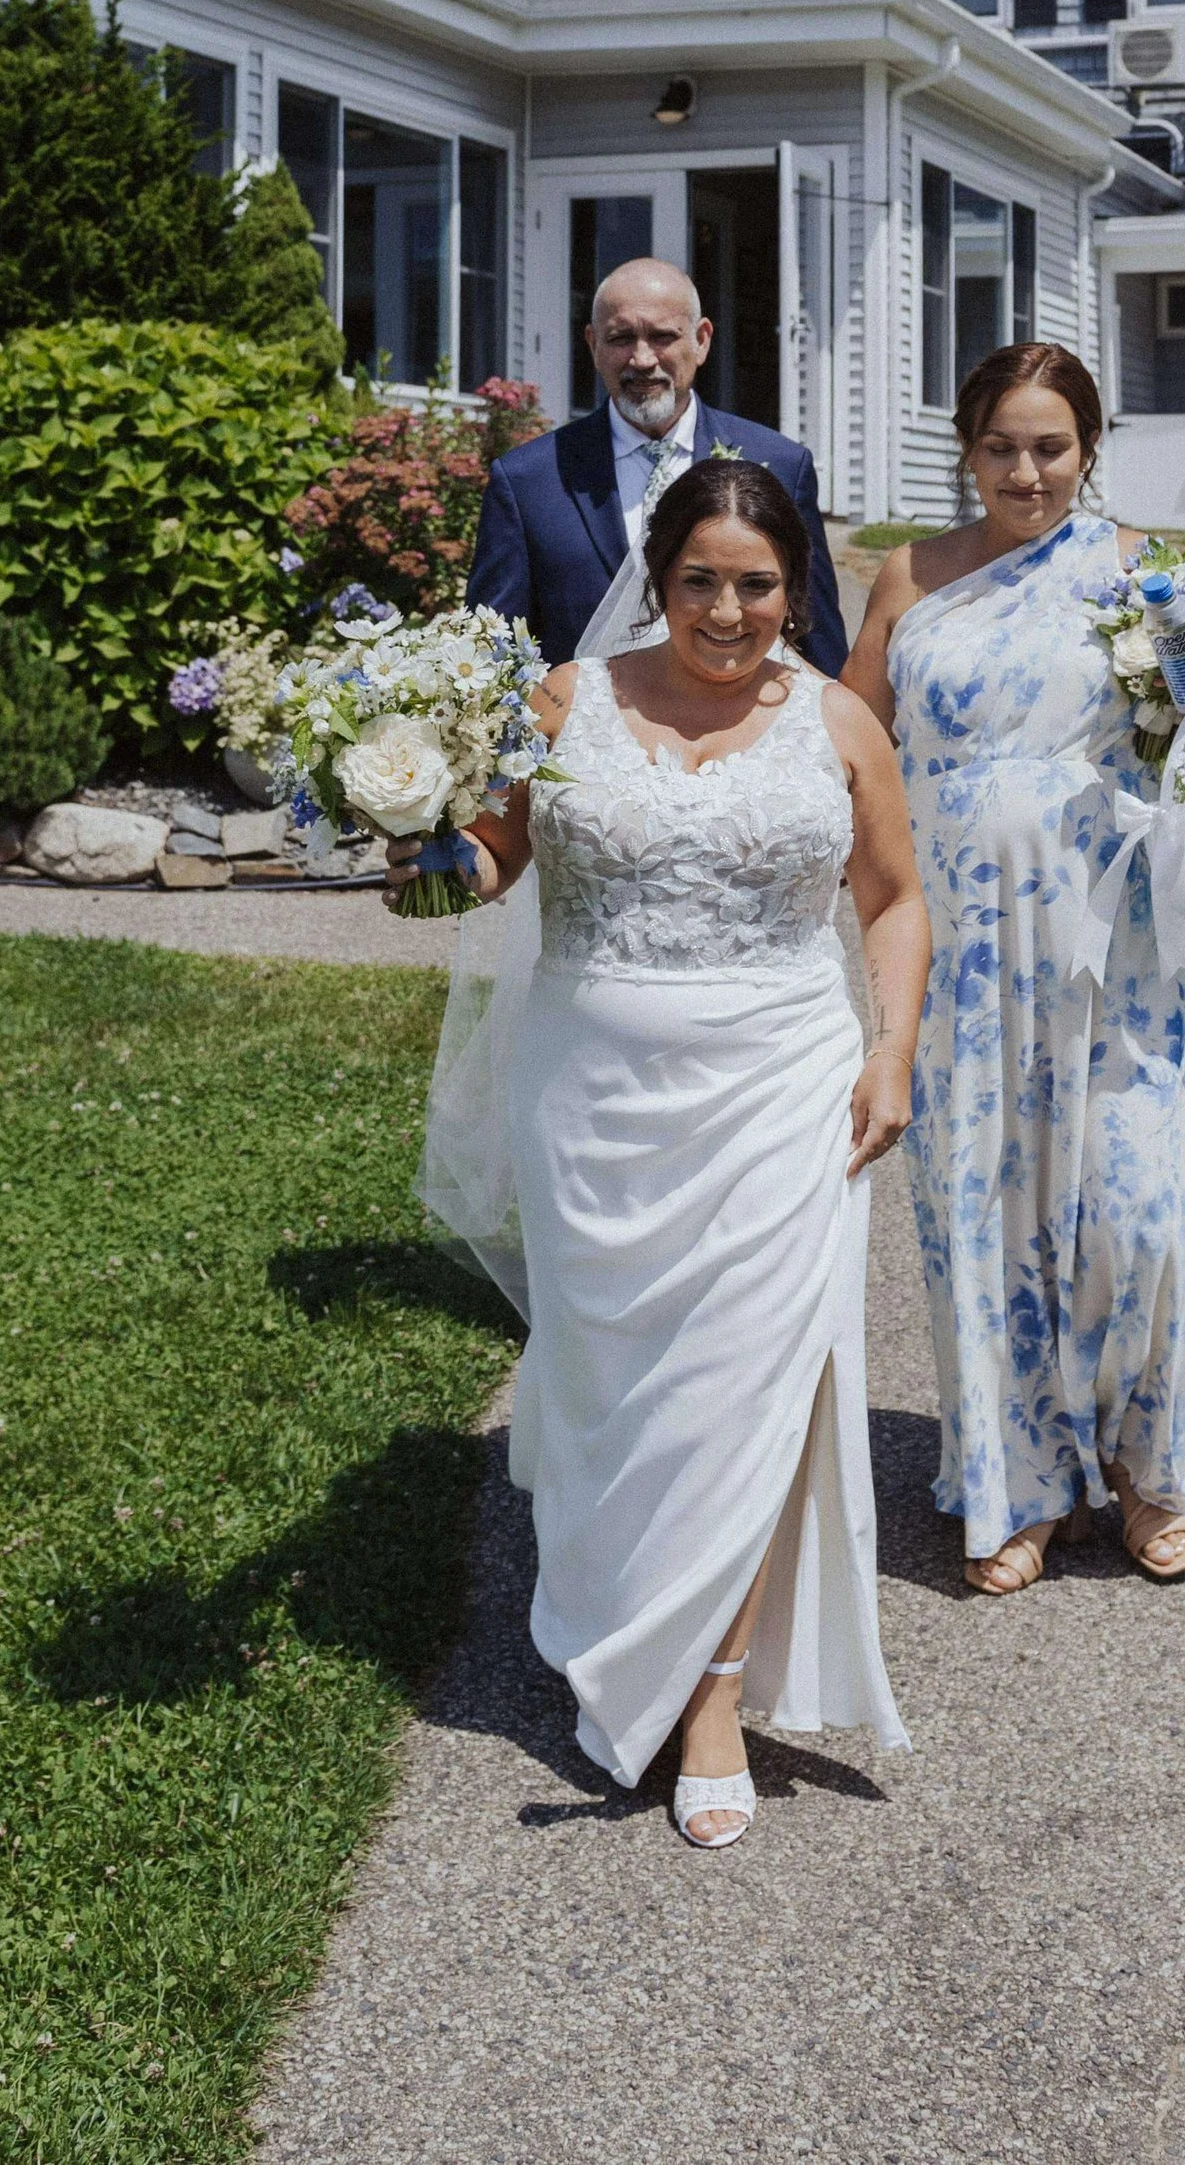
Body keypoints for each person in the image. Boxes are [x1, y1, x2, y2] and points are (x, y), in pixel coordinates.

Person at [409, 455, 926, 1849]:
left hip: (778, 1088)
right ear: (659, 574)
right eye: (700, 577)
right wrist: (415, 837)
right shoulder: (567, 707)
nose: (726, 607)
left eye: (756, 583)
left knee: (749, 1386)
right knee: (607, 1381)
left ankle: (707, 1695)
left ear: (794, 588)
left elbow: (892, 903)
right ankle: (615, 1613)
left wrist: (891, 1048)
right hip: (592, 1097)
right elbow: (494, 852)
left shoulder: (837, 725)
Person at [842, 342, 1185, 1599]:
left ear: (1088, 448)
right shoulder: (908, 575)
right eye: (1001, 445)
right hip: (958, 948)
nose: (1026, 470)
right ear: (965, 449)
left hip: (1108, 944)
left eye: (1050, 446)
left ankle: (1146, 1467)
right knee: (981, 1210)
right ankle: (1018, 1484)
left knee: (1138, 1209)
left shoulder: (1141, 578)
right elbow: (852, 742)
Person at [467, 256, 848, 671]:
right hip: (586, 727)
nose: (642, 358)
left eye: (662, 336)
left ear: (701, 341)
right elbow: (491, 647)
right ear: (593, 345)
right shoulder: (528, 481)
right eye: (620, 338)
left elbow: (816, 636)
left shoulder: (781, 466)